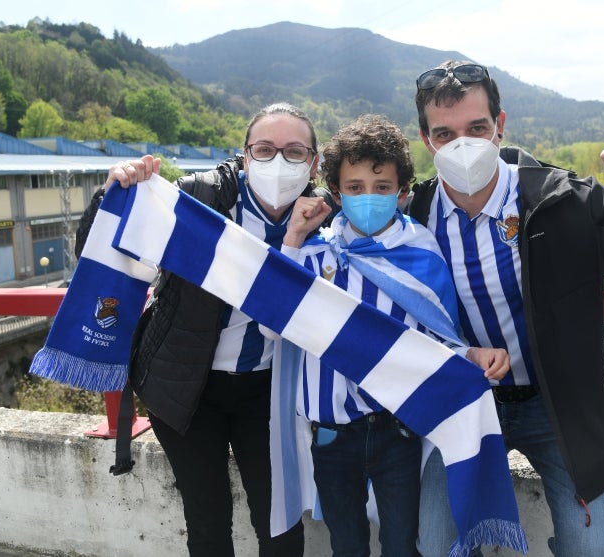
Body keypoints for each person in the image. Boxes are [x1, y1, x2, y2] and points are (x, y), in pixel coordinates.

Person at [407, 60, 604, 556]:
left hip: (560, 409)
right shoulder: (413, 217)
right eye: (445, 133)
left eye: (477, 128)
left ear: (500, 127)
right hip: (462, 405)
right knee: (437, 546)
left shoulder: (568, 202)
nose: (462, 145)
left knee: (590, 549)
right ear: (426, 139)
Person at [76, 103, 336, 557]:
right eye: (265, 149)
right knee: (207, 517)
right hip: (186, 387)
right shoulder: (198, 200)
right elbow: (99, 248)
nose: (279, 162)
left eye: (295, 152)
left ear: (314, 162)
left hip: (270, 394)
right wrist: (112, 192)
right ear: (245, 154)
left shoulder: (324, 220)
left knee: (280, 519)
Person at [280, 114, 511, 556]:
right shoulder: (313, 253)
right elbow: (276, 314)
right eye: (355, 188)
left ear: (403, 194)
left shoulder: (420, 251)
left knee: (402, 544)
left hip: (398, 433)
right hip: (331, 434)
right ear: (336, 192)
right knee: (346, 545)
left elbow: (439, 337)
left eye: (382, 188)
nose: (369, 198)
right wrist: (292, 235)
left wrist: (472, 355)